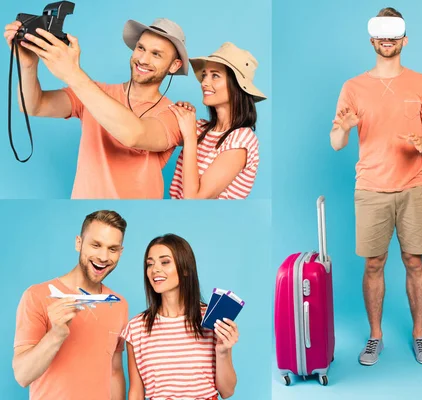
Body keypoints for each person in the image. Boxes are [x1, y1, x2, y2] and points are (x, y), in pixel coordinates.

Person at [330, 7, 422, 366]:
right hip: (371, 187)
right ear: (372, 39)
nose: (387, 39)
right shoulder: (353, 86)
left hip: (413, 185)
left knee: (414, 261)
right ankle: (375, 336)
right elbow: (336, 142)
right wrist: (343, 128)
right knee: (374, 263)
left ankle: (419, 335)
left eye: (394, 33)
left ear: (404, 39)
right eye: (381, 33)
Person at [3, 17, 188, 199]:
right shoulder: (94, 92)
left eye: (156, 54)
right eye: (141, 48)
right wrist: (28, 64)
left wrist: (73, 73)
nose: (143, 59)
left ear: (174, 65)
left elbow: (133, 135)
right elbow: (34, 106)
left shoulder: (176, 115)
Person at [13, 210, 129, 400]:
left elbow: (115, 371)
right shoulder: (36, 296)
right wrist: (56, 334)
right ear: (79, 243)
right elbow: (22, 376)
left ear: (120, 252)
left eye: (112, 249)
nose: (103, 256)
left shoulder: (119, 304)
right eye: (96, 245)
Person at [122, 234, 239, 399]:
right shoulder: (136, 328)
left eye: (165, 262)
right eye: (150, 264)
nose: (154, 269)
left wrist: (223, 351)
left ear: (185, 268)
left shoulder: (211, 319)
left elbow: (227, 391)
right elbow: (135, 392)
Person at [168, 42, 265, 199]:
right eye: (205, 74)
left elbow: (194, 200)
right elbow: (154, 137)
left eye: (215, 75)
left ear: (237, 85)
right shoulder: (198, 127)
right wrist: (180, 113)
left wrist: (190, 137)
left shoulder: (241, 139)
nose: (204, 82)